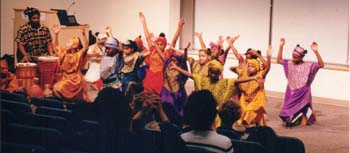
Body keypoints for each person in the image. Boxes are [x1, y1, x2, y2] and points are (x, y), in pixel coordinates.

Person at [277, 38, 324, 126]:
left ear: (301, 57)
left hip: (303, 90)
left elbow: (321, 64)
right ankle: (303, 117)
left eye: (296, 57)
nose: (293, 58)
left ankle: (304, 118)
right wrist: (281, 46)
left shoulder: (308, 65)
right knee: (285, 113)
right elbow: (279, 60)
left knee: (303, 107)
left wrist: (316, 51)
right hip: (291, 89)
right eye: (293, 56)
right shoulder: (290, 63)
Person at [138, 12, 184, 95]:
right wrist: (143, 22)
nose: (159, 46)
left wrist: (179, 27)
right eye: (158, 44)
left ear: (165, 45)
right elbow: (148, 37)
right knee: (148, 96)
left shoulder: (167, 53)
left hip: (160, 76)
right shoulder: (153, 50)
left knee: (158, 96)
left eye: (161, 44)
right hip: (150, 76)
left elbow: (174, 41)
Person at [51, 24, 90, 102]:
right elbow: (56, 47)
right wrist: (56, 34)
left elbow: (86, 47)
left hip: (75, 79)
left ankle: (66, 104)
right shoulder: (64, 53)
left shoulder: (78, 54)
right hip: (65, 77)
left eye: (69, 42)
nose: (66, 44)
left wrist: (83, 34)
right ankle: (65, 104)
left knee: (57, 88)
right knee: (56, 89)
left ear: (74, 46)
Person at [236, 46, 272, 127]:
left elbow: (268, 67)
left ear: (257, 68)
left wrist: (268, 57)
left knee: (249, 112)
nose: (249, 68)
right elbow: (232, 68)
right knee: (242, 113)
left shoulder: (260, 75)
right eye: (248, 66)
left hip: (256, 100)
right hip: (245, 99)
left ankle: (249, 126)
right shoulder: (245, 75)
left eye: (252, 67)